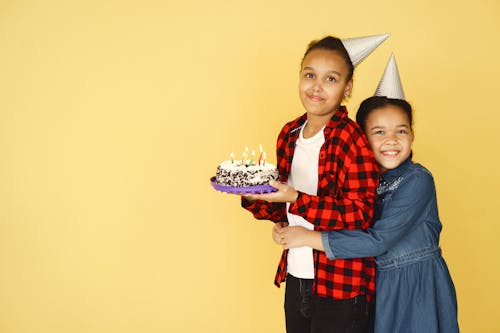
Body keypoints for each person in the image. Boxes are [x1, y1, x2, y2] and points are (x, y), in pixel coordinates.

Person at [273, 54, 460, 333]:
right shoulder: (363, 180)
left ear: (412, 135)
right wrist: (288, 223)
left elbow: (378, 240)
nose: (391, 140)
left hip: (415, 287)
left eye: (401, 131)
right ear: (362, 138)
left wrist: (308, 237)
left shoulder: (417, 180)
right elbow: (340, 215)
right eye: (379, 132)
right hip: (379, 286)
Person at [241, 34, 388, 333]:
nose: (317, 86)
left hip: (342, 287)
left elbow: (361, 215)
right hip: (297, 276)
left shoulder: (352, 140)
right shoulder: (289, 133)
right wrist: (257, 198)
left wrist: (296, 197)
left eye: (330, 79)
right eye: (310, 75)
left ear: (347, 88)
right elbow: (285, 208)